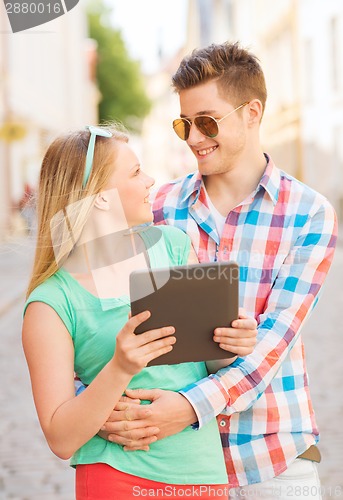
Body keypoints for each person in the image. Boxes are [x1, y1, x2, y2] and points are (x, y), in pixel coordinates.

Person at [100, 42, 338, 499]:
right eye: (183, 124)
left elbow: (272, 344)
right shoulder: (159, 206)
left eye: (207, 122)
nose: (192, 138)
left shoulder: (309, 214)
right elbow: (102, 310)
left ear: (252, 112)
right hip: (173, 464)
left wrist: (188, 407)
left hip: (271, 459)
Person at [22, 124, 258, 499]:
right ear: (100, 197)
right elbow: (60, 438)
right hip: (116, 478)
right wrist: (120, 368)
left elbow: (207, 363)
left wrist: (230, 343)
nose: (150, 181)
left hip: (201, 472)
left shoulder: (174, 247)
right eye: (135, 172)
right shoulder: (51, 304)